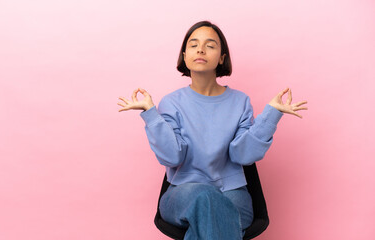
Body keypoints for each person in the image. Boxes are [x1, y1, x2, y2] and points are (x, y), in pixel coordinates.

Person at [117, 20, 308, 240]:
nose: (200, 49)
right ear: (184, 55)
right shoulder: (171, 103)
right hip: (183, 194)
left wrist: (271, 115)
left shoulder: (239, 101)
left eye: (210, 45)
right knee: (207, 200)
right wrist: (151, 114)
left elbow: (243, 155)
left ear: (222, 58)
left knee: (213, 216)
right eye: (193, 44)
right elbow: (171, 156)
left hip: (232, 194)